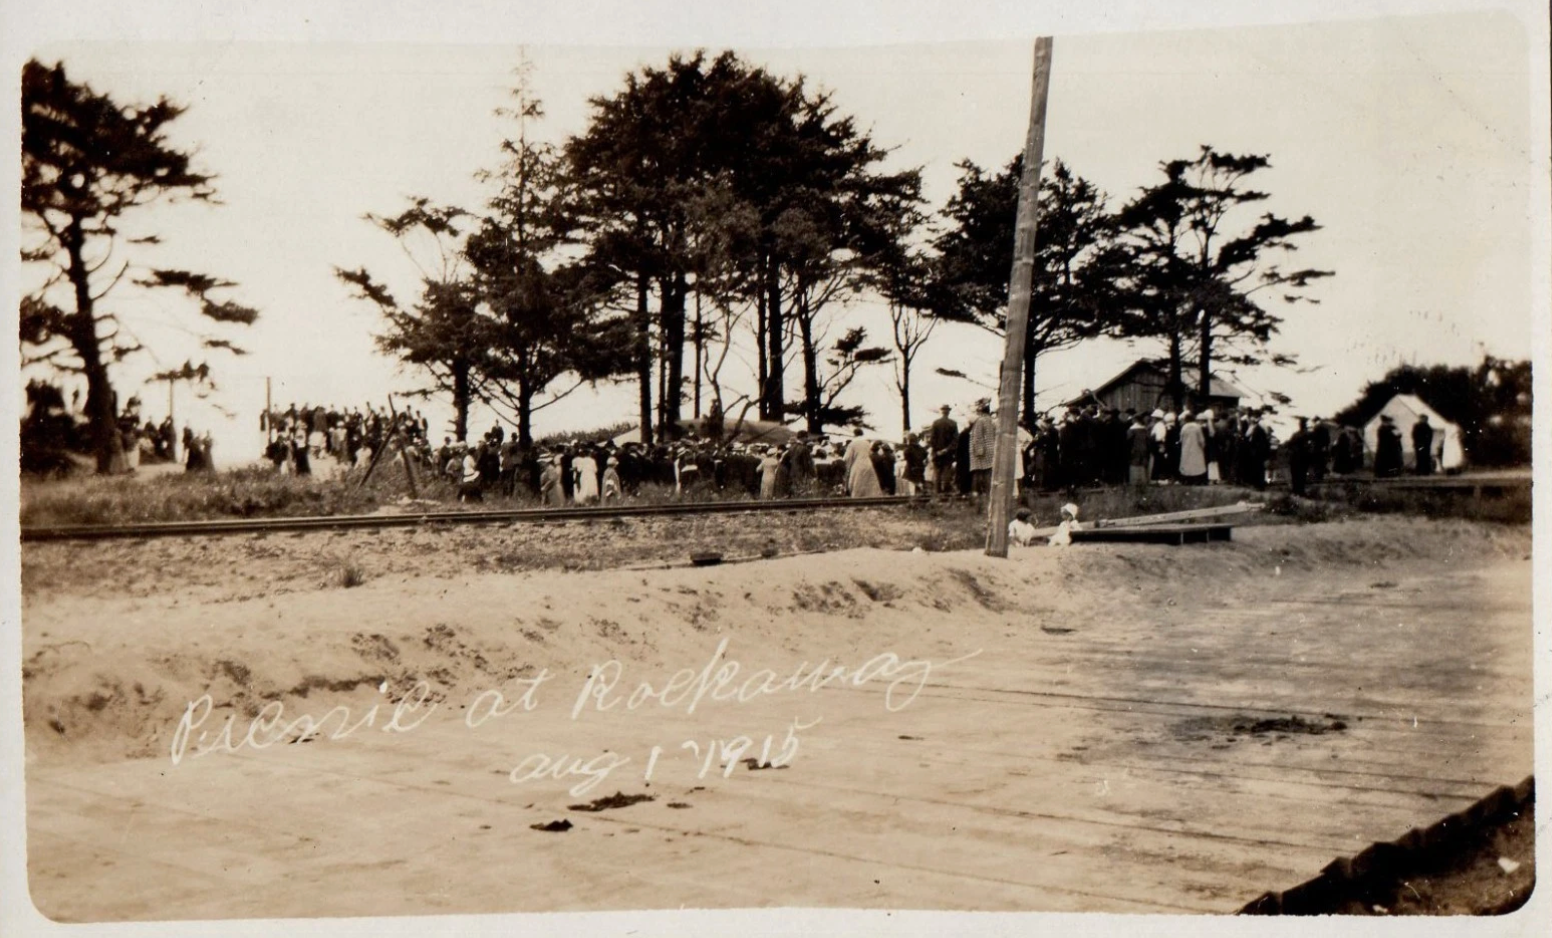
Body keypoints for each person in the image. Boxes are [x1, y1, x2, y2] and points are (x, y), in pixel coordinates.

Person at [968, 399, 997, 497]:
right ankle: (989, 493)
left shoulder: (980, 421)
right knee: (988, 472)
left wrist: (979, 451)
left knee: (977, 473)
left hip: (982, 450)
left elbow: (978, 437)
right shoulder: (991, 421)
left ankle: (976, 494)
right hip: (991, 449)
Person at [928, 405, 959, 495]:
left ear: (941, 411)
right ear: (948, 412)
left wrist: (937, 450)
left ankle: (937, 491)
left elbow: (932, 439)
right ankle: (946, 492)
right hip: (948, 453)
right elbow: (955, 440)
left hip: (937, 453)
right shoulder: (953, 423)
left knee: (937, 472)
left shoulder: (935, 423)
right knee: (947, 471)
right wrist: (947, 449)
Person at [844, 428, 883, 497]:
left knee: (857, 484)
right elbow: (870, 453)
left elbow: (847, 457)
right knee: (870, 485)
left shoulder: (852, 444)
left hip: (857, 465)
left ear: (854, 434)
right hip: (868, 464)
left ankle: (857, 500)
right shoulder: (867, 443)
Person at [1177, 412, 1207, 485]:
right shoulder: (1197, 427)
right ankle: (1197, 480)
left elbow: (1181, 439)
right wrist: (1203, 445)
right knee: (1196, 464)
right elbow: (1201, 439)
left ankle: (1187, 480)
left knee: (1187, 464)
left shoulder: (1184, 427)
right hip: (1196, 448)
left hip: (1186, 448)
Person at [1125, 412, 1151, 488]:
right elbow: (1148, 440)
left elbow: (1128, 441)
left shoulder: (1131, 430)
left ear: (1134, 420)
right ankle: (1143, 481)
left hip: (1134, 449)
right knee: (1143, 465)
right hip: (1144, 449)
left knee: (1134, 464)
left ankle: (1134, 481)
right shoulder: (1145, 429)